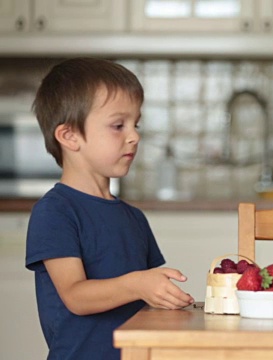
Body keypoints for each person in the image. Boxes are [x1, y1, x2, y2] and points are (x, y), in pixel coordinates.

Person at [25, 58, 194, 360]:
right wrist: (138, 284)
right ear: (69, 136)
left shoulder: (133, 217)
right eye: (118, 125)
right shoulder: (55, 212)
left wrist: (165, 299)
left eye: (135, 124)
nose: (134, 136)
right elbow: (76, 296)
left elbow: (139, 303)